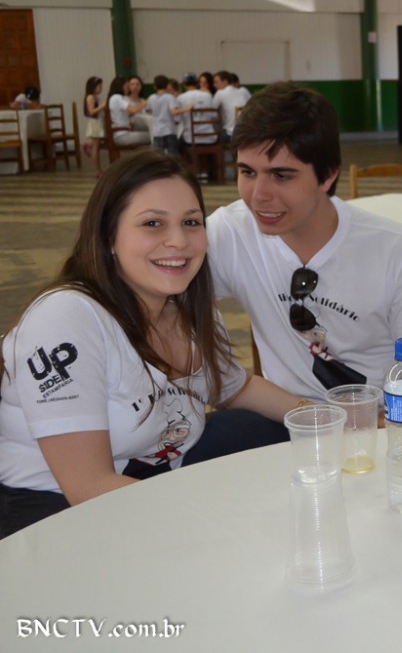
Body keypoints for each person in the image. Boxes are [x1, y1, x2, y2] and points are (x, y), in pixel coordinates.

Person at [0, 150, 304, 539]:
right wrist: (220, 522)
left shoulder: (186, 304)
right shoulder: (66, 317)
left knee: (272, 431)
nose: (178, 241)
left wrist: (330, 419)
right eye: (152, 223)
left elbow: (236, 387)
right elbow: (88, 486)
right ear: (109, 237)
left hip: (153, 470)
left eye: (191, 222)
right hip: (52, 509)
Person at [205, 82, 402, 429]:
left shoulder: (398, 250)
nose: (258, 195)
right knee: (202, 447)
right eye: (247, 172)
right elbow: (152, 300)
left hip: (394, 422)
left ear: (328, 175)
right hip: (290, 418)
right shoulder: (230, 231)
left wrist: (358, 428)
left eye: (281, 175)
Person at [107, 76, 149, 147]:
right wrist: (146, 102)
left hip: (122, 134)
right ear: (120, 86)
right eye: (127, 86)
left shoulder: (114, 98)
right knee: (154, 135)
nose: (128, 89)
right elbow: (133, 110)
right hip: (122, 135)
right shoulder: (118, 98)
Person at [146, 74, 180, 156]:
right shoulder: (170, 97)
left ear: (154, 86)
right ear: (167, 85)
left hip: (157, 132)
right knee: (172, 156)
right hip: (169, 130)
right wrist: (186, 109)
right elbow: (174, 112)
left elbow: (148, 110)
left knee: (158, 156)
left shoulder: (151, 98)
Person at [212, 70, 248, 142]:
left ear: (225, 82)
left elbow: (211, 113)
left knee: (213, 137)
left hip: (230, 134)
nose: (214, 85)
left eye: (216, 82)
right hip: (247, 133)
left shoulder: (220, 93)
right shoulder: (243, 91)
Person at [82, 76, 106, 178]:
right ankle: (97, 171)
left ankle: (88, 145)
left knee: (96, 145)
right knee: (96, 147)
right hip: (95, 123)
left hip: (98, 121)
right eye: (99, 86)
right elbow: (91, 111)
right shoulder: (90, 97)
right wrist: (103, 106)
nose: (100, 88)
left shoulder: (96, 97)